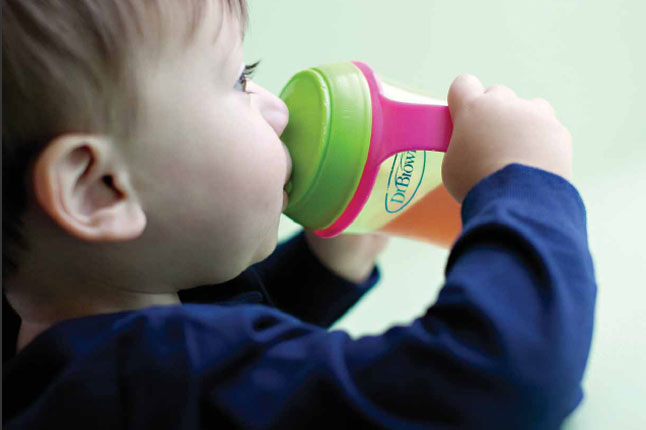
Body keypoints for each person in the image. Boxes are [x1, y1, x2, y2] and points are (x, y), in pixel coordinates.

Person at [2, 0, 597, 428]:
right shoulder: (150, 381)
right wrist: (522, 183)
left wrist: (321, 269)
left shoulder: (88, 346)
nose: (278, 113)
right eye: (239, 82)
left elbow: (243, 382)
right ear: (98, 189)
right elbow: (504, 382)